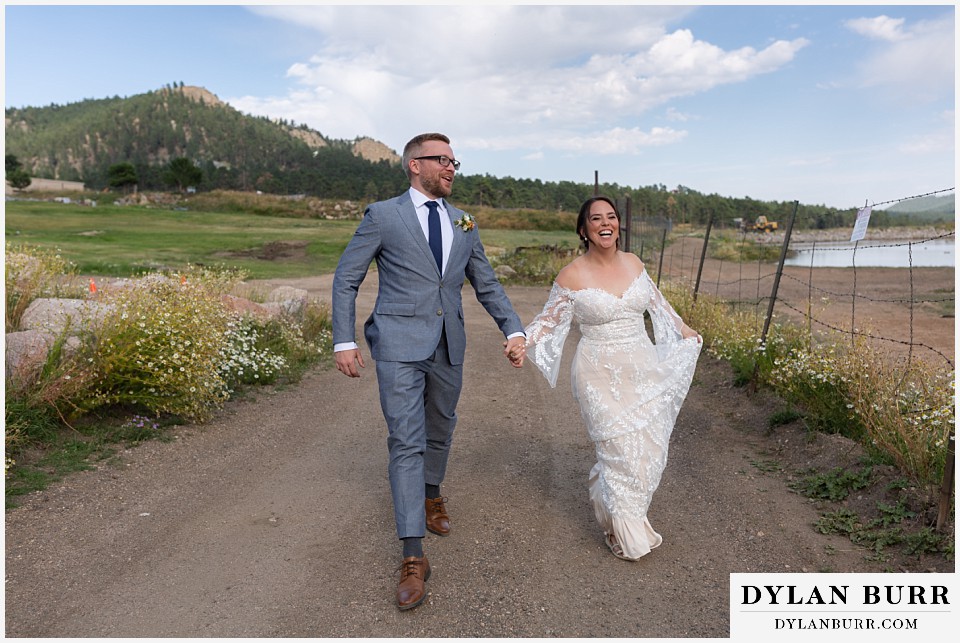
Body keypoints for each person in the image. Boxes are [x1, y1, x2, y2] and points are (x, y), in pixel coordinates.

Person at [332, 132, 526, 610]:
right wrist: (344, 339)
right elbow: (346, 278)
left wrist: (514, 328)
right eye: (443, 160)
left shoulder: (464, 221)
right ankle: (413, 554)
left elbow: (486, 281)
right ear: (414, 165)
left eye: (455, 161)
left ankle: (432, 493)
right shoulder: (383, 215)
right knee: (406, 439)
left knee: (441, 429)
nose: (452, 168)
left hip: (448, 345)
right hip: (397, 344)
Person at [510, 195, 702, 561]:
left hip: (641, 366)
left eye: (611, 217)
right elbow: (549, 320)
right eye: (596, 218)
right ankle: (622, 529)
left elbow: (658, 304)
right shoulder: (571, 275)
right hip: (597, 372)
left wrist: (683, 329)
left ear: (617, 225)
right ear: (583, 229)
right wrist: (522, 341)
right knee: (617, 452)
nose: (605, 223)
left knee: (645, 449)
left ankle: (610, 505)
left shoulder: (634, 263)